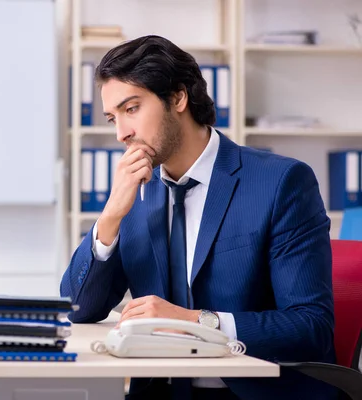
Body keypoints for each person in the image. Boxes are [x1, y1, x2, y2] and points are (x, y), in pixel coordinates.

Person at [60, 35, 336, 400]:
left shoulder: (279, 182)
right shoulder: (135, 193)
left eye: (131, 109)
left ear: (177, 98)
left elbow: (310, 326)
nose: (121, 133)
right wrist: (111, 215)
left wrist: (194, 321)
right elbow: (78, 309)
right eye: (113, 118)